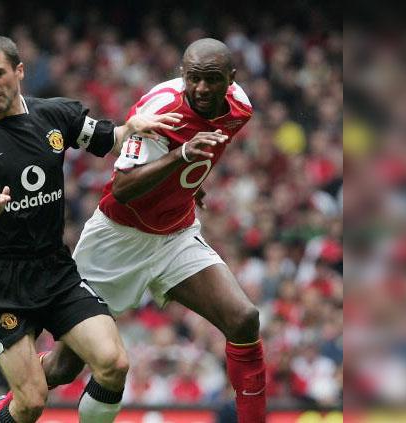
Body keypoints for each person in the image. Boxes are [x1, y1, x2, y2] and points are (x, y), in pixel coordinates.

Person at [0, 35, 181, 423]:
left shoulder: (55, 116)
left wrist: (130, 126)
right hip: (1, 283)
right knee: (33, 402)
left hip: (54, 270)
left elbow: (108, 138)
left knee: (114, 363)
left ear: (19, 71)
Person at [34, 38, 267, 423]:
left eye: (213, 79)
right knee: (63, 368)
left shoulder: (240, 108)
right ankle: (9, 405)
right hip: (116, 239)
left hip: (175, 235)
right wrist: (182, 157)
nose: (203, 88)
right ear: (182, 74)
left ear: (231, 79)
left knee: (243, 319)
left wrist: (191, 182)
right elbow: (123, 188)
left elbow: (196, 156)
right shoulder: (162, 110)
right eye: (194, 78)